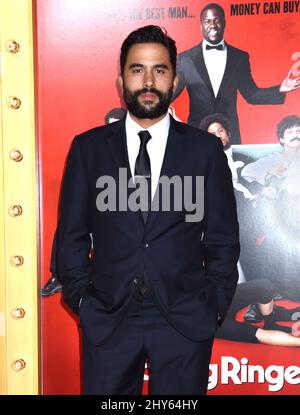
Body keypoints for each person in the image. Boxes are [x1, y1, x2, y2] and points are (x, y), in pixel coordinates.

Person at [56, 25, 240, 395]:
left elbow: (222, 239)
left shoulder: (204, 151)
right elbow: (71, 238)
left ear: (175, 80)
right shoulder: (87, 150)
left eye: (160, 70)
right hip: (108, 319)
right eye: (137, 69)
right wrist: (83, 301)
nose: (148, 80)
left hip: (184, 321)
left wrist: (214, 304)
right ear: (120, 79)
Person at [173, 3, 300, 144]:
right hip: (197, 133)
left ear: (224, 23)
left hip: (230, 134)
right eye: (207, 21)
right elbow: (170, 94)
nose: (213, 25)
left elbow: (251, 95)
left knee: (232, 167)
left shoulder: (240, 57)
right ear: (201, 26)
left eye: (217, 20)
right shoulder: (185, 59)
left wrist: (280, 89)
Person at [241, 115, 300, 303]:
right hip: (281, 214)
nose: (295, 135)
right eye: (290, 131)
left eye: (298, 131)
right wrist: (268, 181)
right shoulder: (272, 159)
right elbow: (246, 173)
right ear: (281, 138)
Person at [215, 278, 300, 347]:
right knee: (259, 334)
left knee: (264, 285)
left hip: (215, 300)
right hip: (210, 321)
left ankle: (270, 323)